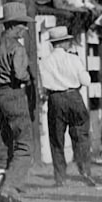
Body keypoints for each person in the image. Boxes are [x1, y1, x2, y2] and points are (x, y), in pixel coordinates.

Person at [0, 3, 36, 202]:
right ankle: (10, 187)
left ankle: (0, 194)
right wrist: (28, 79)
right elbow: (20, 74)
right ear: (13, 25)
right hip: (12, 95)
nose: (25, 29)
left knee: (3, 148)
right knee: (24, 146)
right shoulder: (17, 48)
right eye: (22, 25)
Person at [39, 26, 95, 187]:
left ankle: (60, 177)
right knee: (81, 136)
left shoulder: (45, 62)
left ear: (52, 44)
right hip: (74, 96)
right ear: (64, 43)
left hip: (55, 98)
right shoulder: (74, 59)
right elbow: (86, 81)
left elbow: (44, 85)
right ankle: (85, 172)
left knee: (57, 139)